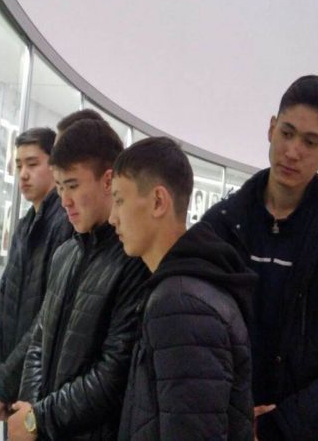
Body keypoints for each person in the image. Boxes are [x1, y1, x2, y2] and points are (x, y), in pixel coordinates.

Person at [202, 75, 318, 440]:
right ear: (271, 128)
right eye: (287, 133)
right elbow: (197, 333)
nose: (292, 151)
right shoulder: (219, 225)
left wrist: (279, 425)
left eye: (310, 141)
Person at [0, 119, 149, 440]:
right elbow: (39, 342)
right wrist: (31, 411)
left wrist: (38, 418)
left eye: (73, 185)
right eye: (60, 186)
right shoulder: (65, 254)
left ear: (108, 180)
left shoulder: (133, 260)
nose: (64, 199)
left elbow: (113, 372)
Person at [110, 137, 256, 440]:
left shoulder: (180, 303)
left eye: (120, 200)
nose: (113, 218)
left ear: (158, 202)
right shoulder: (187, 289)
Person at [0, 128, 72, 417]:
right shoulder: (24, 225)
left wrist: (4, 379)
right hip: (10, 378)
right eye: (19, 165)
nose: (23, 174)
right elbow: (4, 296)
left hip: (35, 383)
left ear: (54, 165)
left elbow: (48, 314)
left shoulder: (64, 225)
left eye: (33, 164)